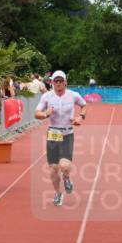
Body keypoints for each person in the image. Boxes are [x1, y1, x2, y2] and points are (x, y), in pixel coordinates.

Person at [34, 70, 87, 206]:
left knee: (64, 165)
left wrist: (80, 117)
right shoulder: (47, 96)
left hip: (67, 133)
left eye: (60, 81)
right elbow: (37, 113)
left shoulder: (73, 95)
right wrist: (46, 113)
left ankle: (67, 177)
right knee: (53, 168)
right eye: (55, 81)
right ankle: (58, 193)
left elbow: (84, 105)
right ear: (52, 82)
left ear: (65, 82)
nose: (58, 83)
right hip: (53, 134)